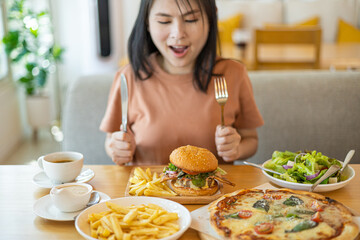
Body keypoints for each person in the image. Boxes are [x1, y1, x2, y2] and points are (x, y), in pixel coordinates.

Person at [100, 0, 264, 165]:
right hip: (147, 189)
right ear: (147, 22)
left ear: (211, 18)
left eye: (191, 20)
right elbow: (111, 140)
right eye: (164, 21)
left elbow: (250, 140)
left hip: (216, 189)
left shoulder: (233, 74)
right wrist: (117, 148)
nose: (178, 33)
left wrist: (237, 149)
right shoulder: (128, 77)